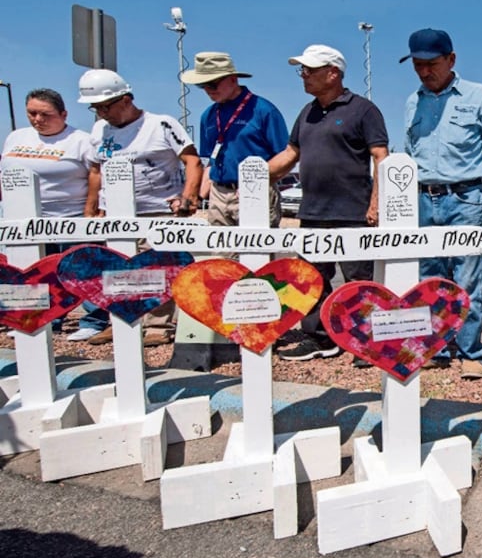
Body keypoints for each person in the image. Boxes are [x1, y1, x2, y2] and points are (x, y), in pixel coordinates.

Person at [401, 28, 482, 379]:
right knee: (429, 279)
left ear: (452, 60)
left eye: (432, 64)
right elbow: (408, 156)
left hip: (467, 199)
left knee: (469, 277)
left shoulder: (479, 96)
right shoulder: (413, 101)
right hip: (422, 200)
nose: (425, 72)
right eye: (418, 65)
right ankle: (437, 349)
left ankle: (471, 351)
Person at [268, 44, 389, 363]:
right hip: (312, 214)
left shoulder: (363, 110)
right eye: (302, 70)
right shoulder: (306, 113)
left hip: (353, 213)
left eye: (310, 70)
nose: (303, 76)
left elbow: (380, 157)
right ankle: (321, 339)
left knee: (358, 282)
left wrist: (376, 203)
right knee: (312, 280)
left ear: (333, 73)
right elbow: (291, 154)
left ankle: (363, 342)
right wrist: (255, 177)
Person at [77, 69, 204, 346]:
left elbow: (192, 161)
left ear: (126, 99)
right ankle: (121, 320)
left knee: (158, 268)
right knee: (115, 270)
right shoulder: (100, 130)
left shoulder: (161, 125)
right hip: (116, 212)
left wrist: (189, 197)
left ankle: (158, 324)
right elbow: (96, 170)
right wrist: (91, 207)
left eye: (106, 106)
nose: (101, 113)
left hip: (157, 208)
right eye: (95, 107)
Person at [0, 88, 109, 338]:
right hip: (27, 218)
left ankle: (93, 320)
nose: (38, 119)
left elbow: (95, 173)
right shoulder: (16, 137)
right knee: (36, 272)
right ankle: (42, 318)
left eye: (45, 114)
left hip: (71, 215)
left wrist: (90, 208)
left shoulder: (80, 140)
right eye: (32, 113)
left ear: (63, 113)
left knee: (82, 269)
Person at [181, 52, 289, 230]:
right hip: (218, 193)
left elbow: (286, 156)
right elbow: (212, 162)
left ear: (232, 79)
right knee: (221, 255)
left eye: (213, 83)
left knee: (256, 252)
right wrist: (198, 197)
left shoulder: (263, 111)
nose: (208, 90)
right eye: (202, 85)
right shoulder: (208, 116)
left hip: (256, 191)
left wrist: (259, 183)